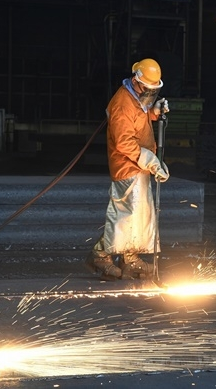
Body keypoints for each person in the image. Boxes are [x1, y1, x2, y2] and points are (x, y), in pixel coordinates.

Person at [85, 58, 170, 281]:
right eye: (148, 89)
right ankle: (100, 255)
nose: (150, 93)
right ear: (136, 81)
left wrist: (154, 111)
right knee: (125, 216)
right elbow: (124, 143)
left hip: (138, 166)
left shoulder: (136, 97)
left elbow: (141, 116)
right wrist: (151, 160)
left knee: (139, 215)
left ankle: (129, 258)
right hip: (127, 167)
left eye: (154, 90)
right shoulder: (122, 104)